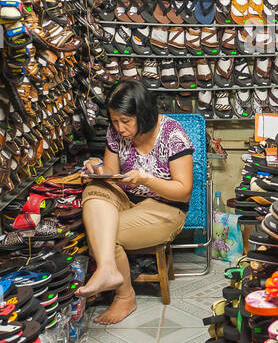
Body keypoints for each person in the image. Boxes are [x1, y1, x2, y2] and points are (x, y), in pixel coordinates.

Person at [77, 81, 194, 324]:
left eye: (126, 121)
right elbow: (111, 172)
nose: (119, 128)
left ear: (144, 114)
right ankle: (108, 270)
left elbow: (183, 191)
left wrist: (147, 180)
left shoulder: (172, 133)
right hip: (127, 199)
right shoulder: (116, 131)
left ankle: (124, 297)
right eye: (115, 121)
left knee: (106, 233)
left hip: (166, 206)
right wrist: (95, 167)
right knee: (94, 188)